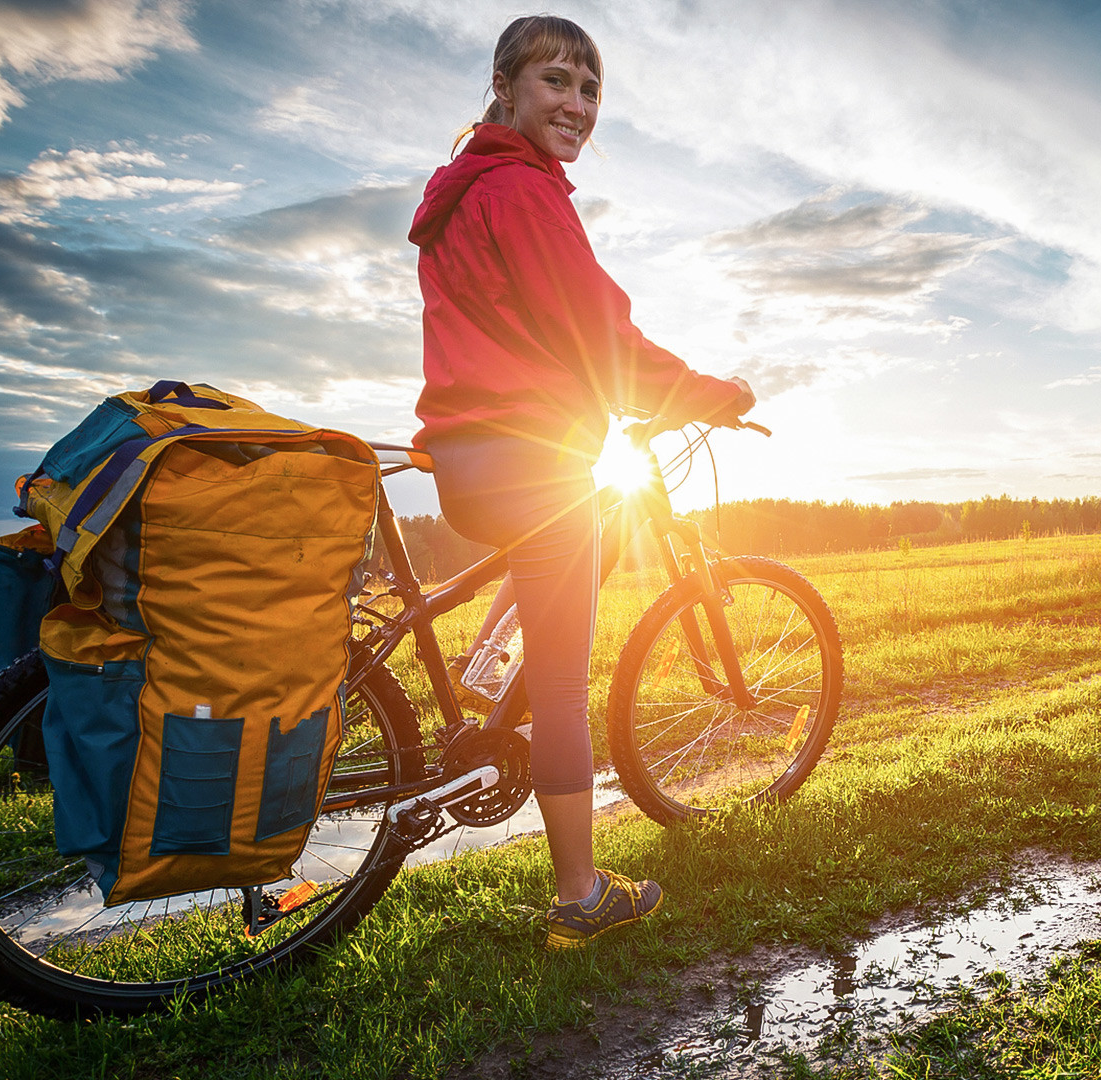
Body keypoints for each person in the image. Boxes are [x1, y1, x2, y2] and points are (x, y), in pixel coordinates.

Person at [409, 15, 753, 949]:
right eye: (557, 80)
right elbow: (597, 327)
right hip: (531, 457)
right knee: (563, 687)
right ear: (506, 85)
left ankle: (483, 685)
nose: (576, 103)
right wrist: (709, 393)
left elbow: (536, 328)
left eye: (591, 90)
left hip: (473, 457)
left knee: (553, 568)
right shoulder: (522, 190)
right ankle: (579, 896)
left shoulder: (464, 192)